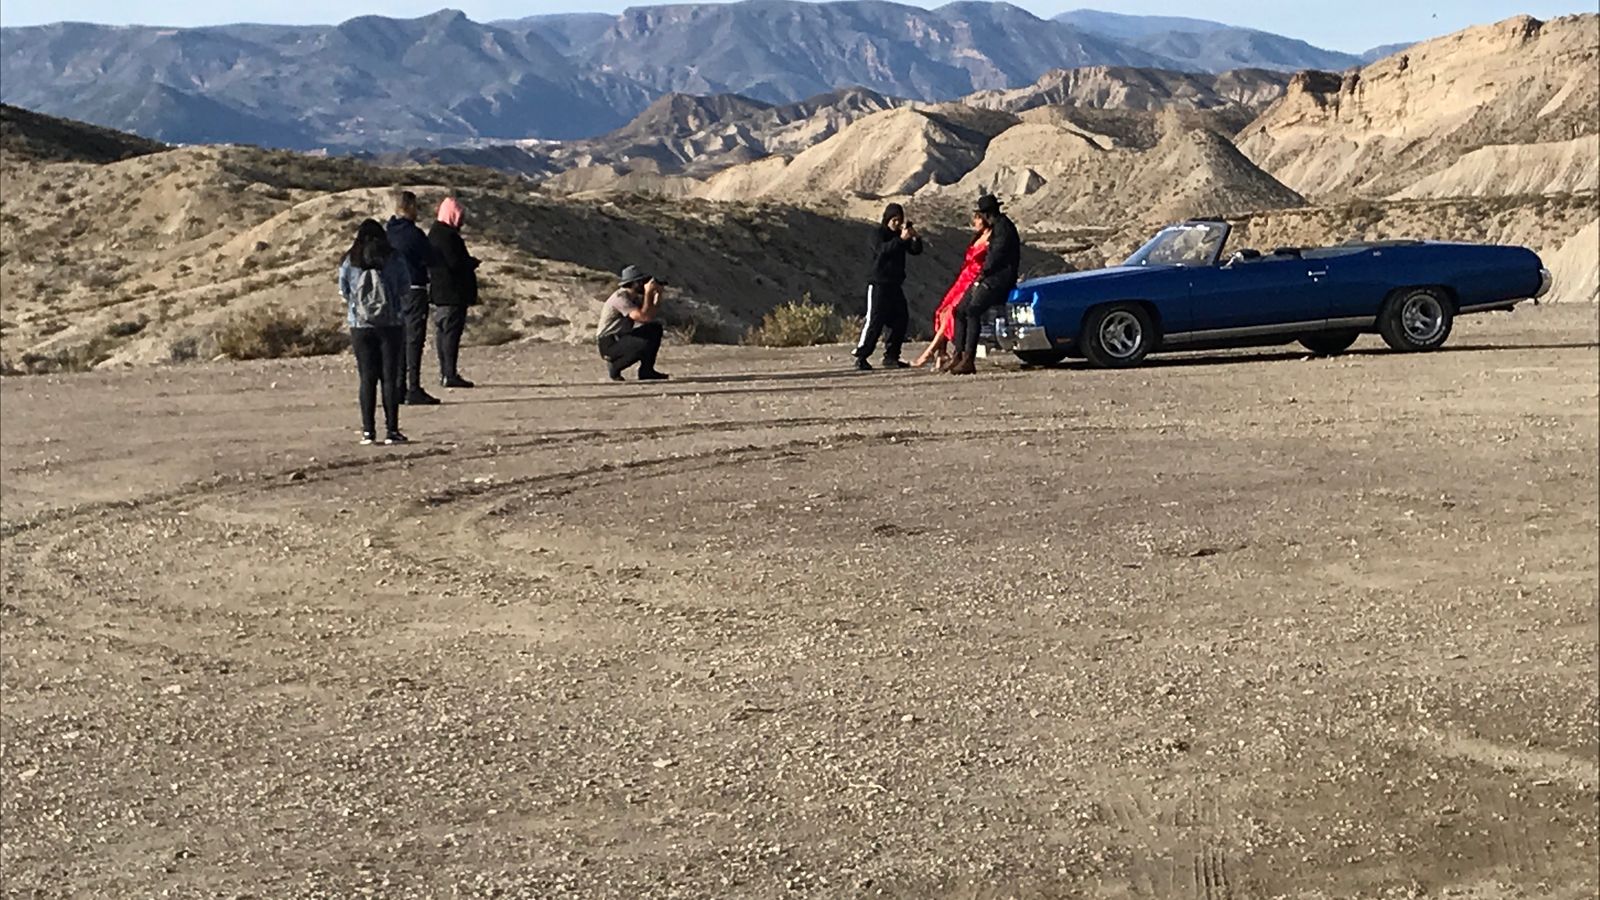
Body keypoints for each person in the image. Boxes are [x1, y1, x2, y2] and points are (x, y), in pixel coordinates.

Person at [338, 219, 410, 445]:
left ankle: (368, 431)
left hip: (360, 326)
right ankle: (392, 431)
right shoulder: (394, 257)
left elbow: (344, 291)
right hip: (391, 324)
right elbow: (405, 288)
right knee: (390, 378)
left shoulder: (351, 259)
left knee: (367, 379)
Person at [948, 194, 1020, 376]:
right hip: (988, 277)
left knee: (973, 310)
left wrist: (982, 274)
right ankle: (958, 354)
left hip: (998, 278)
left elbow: (996, 257)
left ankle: (968, 359)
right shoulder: (997, 228)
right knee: (959, 310)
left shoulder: (1003, 229)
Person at [913, 209, 991, 371]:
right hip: (963, 277)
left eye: (977, 219)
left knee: (952, 313)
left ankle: (929, 352)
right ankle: (942, 354)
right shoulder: (977, 237)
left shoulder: (991, 238)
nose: (975, 223)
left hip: (973, 278)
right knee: (942, 311)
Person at [852, 202, 923, 371]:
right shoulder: (877, 234)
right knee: (874, 321)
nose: (897, 224)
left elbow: (915, 250)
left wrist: (915, 237)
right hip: (878, 285)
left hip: (895, 285)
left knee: (900, 319)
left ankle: (891, 356)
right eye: (895, 220)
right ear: (888, 219)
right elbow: (882, 250)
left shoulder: (899, 236)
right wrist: (901, 239)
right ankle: (862, 356)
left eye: (900, 220)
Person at [385, 190, 439, 406]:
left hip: (393, 291)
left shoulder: (388, 233)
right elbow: (431, 258)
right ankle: (413, 388)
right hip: (415, 289)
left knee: (398, 339)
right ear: (408, 207)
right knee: (414, 340)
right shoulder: (414, 234)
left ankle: (397, 387)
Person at [427, 195, 479, 389]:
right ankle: (449, 373)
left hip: (440, 293)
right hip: (452, 293)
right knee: (450, 335)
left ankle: (446, 372)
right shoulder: (447, 237)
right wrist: (471, 263)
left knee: (443, 334)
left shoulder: (435, 233)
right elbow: (455, 263)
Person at [596, 265, 670, 382]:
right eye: (642, 282)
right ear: (635, 283)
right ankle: (615, 366)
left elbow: (650, 315)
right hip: (609, 342)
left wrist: (657, 295)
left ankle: (647, 371)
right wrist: (648, 293)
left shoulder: (633, 297)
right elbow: (643, 317)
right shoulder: (621, 298)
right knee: (643, 343)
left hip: (621, 337)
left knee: (655, 328)